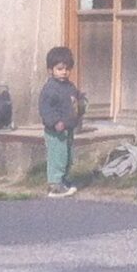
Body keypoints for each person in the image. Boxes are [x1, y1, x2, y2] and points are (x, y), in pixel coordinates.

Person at [37, 45, 85, 198]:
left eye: (67, 69)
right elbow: (46, 109)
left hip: (68, 128)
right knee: (57, 156)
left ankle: (64, 179)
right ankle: (54, 184)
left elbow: (77, 100)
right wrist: (55, 122)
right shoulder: (50, 89)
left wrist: (82, 103)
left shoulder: (69, 86)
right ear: (50, 70)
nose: (64, 72)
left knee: (68, 156)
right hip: (55, 131)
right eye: (59, 69)